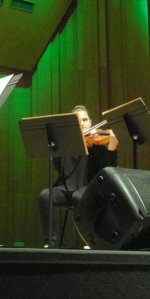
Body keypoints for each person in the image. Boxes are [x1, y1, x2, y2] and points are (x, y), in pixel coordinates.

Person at [38, 105, 118, 247]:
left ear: (90, 122)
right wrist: (57, 148)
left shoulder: (97, 144)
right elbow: (59, 169)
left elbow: (108, 169)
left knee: (78, 196)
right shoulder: (67, 145)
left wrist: (112, 145)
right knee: (45, 196)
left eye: (85, 120)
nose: (82, 124)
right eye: (78, 121)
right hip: (67, 189)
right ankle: (50, 242)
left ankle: (90, 241)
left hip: (90, 190)